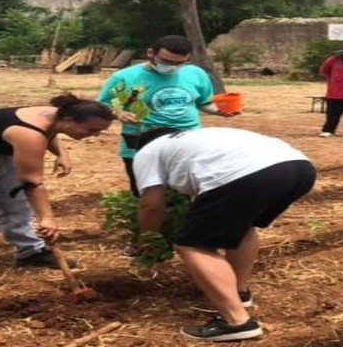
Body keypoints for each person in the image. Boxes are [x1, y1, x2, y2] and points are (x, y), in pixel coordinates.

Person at [131, 127, 315, 341]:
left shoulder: (147, 152)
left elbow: (151, 205)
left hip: (247, 174)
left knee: (193, 245)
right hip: (299, 168)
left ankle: (237, 322)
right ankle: (239, 292)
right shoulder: (198, 138)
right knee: (242, 226)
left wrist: (148, 238)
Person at [0, 93, 116, 292]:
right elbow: (32, 182)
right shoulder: (28, 133)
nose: (94, 135)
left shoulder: (58, 115)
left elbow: (49, 132)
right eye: (92, 130)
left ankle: (30, 252)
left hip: (3, 154)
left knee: (17, 207)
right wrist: (47, 218)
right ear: (69, 120)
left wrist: (62, 153)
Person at [95, 35, 235, 196]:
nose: (172, 67)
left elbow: (203, 102)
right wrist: (118, 113)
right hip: (141, 141)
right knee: (147, 194)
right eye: (166, 61)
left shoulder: (196, 74)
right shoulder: (124, 77)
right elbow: (102, 106)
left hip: (187, 142)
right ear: (150, 53)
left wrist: (220, 111)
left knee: (186, 192)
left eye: (179, 63)